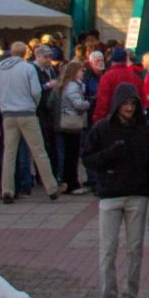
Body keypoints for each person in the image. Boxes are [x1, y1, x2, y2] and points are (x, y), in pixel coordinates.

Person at [83, 84, 149, 298]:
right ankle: (108, 297)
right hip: (110, 193)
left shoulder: (146, 129)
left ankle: (130, 297)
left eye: (132, 104)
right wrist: (109, 155)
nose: (129, 108)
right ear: (117, 105)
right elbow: (88, 158)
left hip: (137, 193)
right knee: (108, 248)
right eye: (125, 104)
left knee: (135, 248)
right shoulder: (102, 129)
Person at [0, 42, 59, 204]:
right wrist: (33, 105)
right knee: (39, 151)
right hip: (27, 113)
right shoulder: (28, 68)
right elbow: (36, 92)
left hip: (8, 115)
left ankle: (7, 190)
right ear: (26, 54)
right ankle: (51, 188)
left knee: (9, 153)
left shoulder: (0, 69)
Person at [57, 59, 90, 196]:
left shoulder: (70, 85)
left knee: (71, 154)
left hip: (71, 121)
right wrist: (88, 103)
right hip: (72, 122)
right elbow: (78, 104)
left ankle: (68, 181)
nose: (83, 72)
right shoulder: (72, 86)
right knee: (72, 154)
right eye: (81, 70)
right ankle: (72, 183)